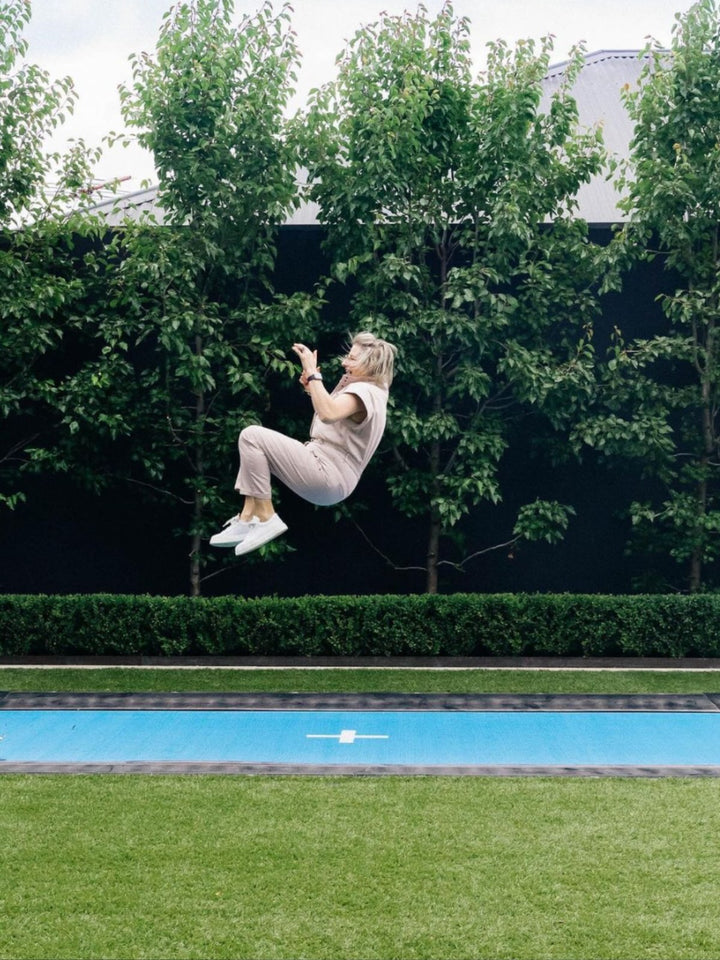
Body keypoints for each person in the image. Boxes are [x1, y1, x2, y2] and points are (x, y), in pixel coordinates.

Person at [209, 331, 397, 556]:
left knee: (251, 436)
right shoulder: (371, 392)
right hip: (330, 472)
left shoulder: (365, 391)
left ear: (371, 365)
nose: (345, 362)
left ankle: (266, 517)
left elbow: (328, 413)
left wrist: (311, 371)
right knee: (255, 450)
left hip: (329, 472)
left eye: (353, 359)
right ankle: (248, 517)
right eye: (348, 355)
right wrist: (312, 388)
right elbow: (330, 414)